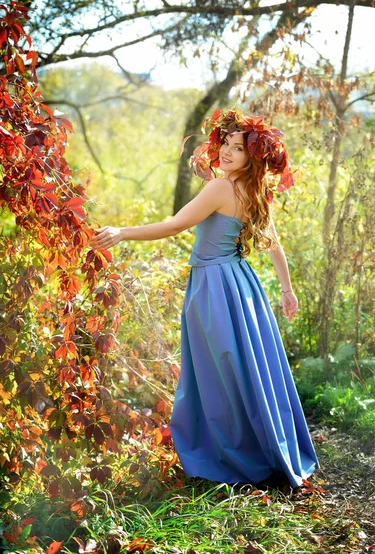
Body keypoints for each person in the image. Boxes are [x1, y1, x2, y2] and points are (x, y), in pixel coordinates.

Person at [88, 107, 320, 490]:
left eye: (238, 149)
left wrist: (122, 231)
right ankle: (262, 446)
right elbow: (273, 243)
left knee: (217, 373)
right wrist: (286, 289)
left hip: (213, 285)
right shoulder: (252, 189)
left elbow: (176, 224)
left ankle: (231, 453)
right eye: (225, 144)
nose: (228, 152)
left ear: (253, 157)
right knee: (244, 367)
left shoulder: (219, 188)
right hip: (242, 284)